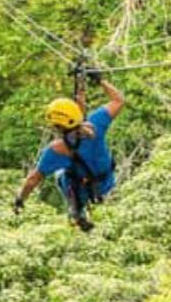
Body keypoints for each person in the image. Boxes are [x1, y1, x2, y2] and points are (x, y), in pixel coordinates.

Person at [12, 74, 124, 232]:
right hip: (107, 181)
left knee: (61, 174)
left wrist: (20, 199)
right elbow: (118, 100)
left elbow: (33, 179)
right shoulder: (96, 124)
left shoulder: (57, 150)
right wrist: (100, 80)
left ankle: (77, 211)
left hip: (86, 190)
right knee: (77, 164)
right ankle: (80, 210)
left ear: (56, 126)